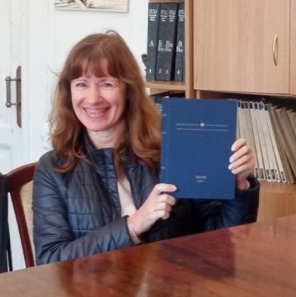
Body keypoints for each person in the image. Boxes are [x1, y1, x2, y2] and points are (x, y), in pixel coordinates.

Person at [33, 30, 259, 264]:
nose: (93, 98)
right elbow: (50, 260)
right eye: (81, 84)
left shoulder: (172, 151)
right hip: (93, 289)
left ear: (128, 91)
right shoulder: (52, 169)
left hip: (170, 285)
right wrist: (133, 224)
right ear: (69, 92)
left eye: (106, 84)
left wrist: (237, 187)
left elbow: (220, 243)